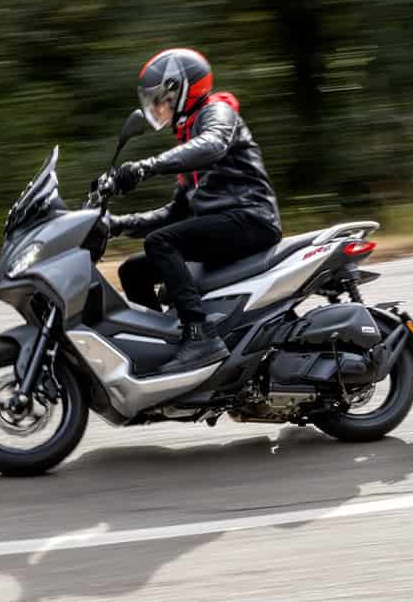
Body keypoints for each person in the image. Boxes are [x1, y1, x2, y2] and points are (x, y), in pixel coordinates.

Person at [104, 47, 282, 372]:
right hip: (224, 223)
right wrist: (116, 224)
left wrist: (146, 167)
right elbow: (175, 214)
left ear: (181, 92)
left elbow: (213, 143)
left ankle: (200, 337)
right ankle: (167, 341)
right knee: (133, 271)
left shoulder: (217, 112)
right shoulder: (189, 139)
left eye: (159, 99)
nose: (155, 108)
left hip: (251, 217)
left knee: (161, 242)